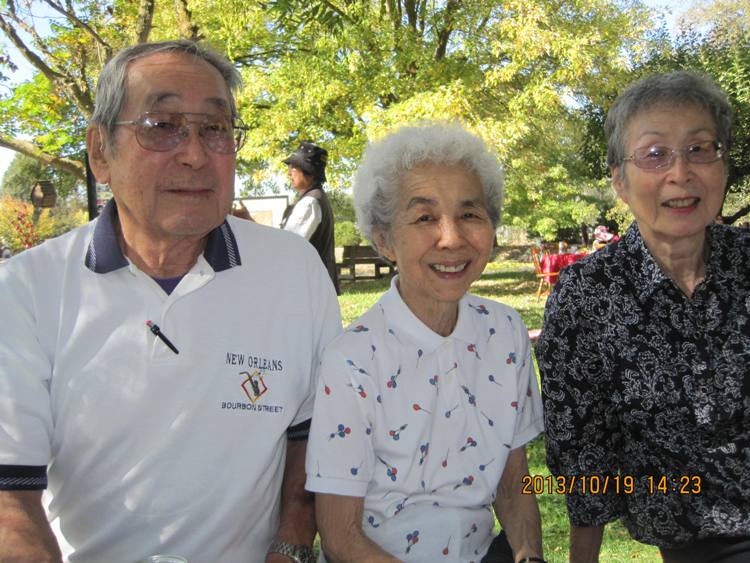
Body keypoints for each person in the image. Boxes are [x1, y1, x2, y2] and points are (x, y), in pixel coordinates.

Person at [0, 40, 341, 562]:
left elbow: (311, 435)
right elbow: (10, 497)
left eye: (215, 129)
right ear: (99, 153)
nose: (195, 153)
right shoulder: (26, 292)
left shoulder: (293, 273)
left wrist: (290, 545)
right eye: (161, 127)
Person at [305, 122, 545, 562]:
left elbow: (515, 484)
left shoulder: (506, 332)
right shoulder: (353, 361)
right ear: (384, 241)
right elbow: (341, 538)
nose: (452, 238)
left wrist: (529, 554)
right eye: (424, 218)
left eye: (470, 214)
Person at [537, 71, 750, 563]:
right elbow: (585, 454)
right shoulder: (588, 295)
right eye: (655, 154)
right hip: (702, 544)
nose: (681, 172)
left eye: (700, 148)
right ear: (619, 180)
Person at [280, 141, 340, 294]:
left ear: (309, 172)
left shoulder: (310, 203)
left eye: (294, 167)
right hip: (312, 287)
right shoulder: (313, 199)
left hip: (310, 289)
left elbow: (287, 247)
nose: (289, 172)